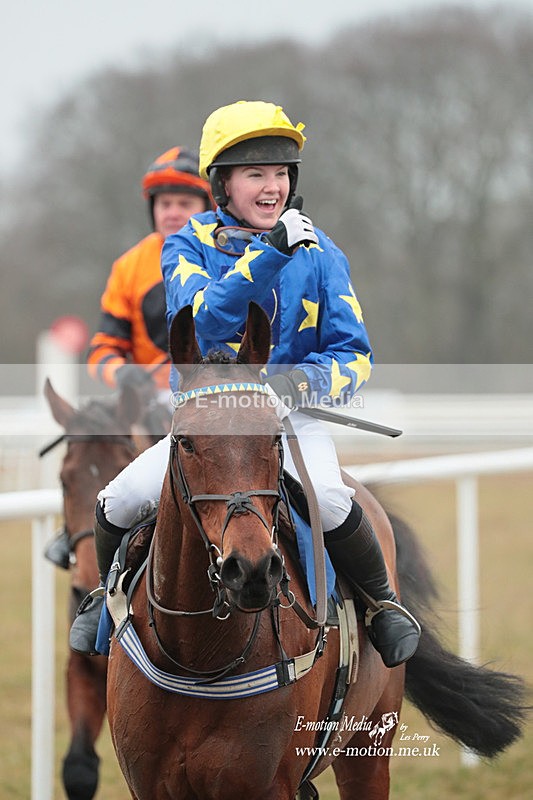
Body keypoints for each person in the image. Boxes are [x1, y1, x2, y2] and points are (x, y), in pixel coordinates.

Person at [70, 101, 420, 668]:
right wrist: (269, 254)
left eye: (281, 173)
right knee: (118, 500)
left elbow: (356, 357)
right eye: (255, 174)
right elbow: (203, 322)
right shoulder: (185, 245)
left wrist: (294, 386)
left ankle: (382, 606)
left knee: (331, 498)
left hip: (288, 418)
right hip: (205, 421)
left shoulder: (323, 252)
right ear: (221, 185)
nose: (272, 187)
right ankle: (104, 601)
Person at [44, 147, 213, 570]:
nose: (172, 212)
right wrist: (125, 374)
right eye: (165, 203)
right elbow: (103, 349)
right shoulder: (130, 267)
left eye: (184, 203)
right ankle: (87, 543)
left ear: (207, 208)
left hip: (208, 394)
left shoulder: (224, 257)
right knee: (94, 445)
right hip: (144, 399)